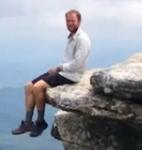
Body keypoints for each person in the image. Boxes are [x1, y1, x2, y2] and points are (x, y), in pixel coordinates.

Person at [13, 9, 91, 137]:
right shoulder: (73, 37)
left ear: (79, 21)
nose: (69, 23)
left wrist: (59, 68)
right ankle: (27, 123)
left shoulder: (82, 39)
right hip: (63, 72)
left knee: (38, 87)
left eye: (72, 21)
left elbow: (78, 63)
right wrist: (58, 69)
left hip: (71, 75)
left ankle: (40, 122)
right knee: (28, 86)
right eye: (68, 21)